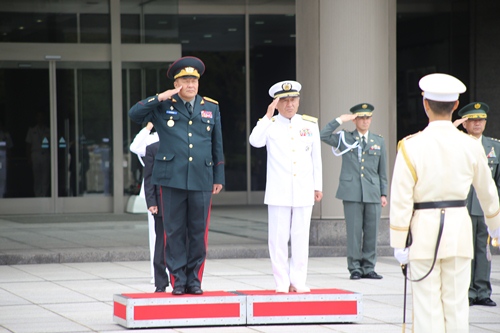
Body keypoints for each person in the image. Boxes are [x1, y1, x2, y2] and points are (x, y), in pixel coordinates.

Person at [390, 73, 500, 332]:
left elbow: (401, 198)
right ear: (455, 105)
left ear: (425, 104)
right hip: (459, 232)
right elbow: (488, 191)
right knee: (457, 307)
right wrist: (495, 227)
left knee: (427, 308)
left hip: (422, 235)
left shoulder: (410, 146)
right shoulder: (471, 145)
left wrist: (398, 242)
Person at [128, 56, 225, 296]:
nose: (190, 85)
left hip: (202, 177)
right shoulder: (162, 106)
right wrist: (160, 96)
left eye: (193, 80)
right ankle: (178, 280)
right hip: (171, 178)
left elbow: (217, 144)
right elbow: (134, 114)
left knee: (197, 231)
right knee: (173, 232)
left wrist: (218, 176)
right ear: (176, 83)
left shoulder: (210, 107)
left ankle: (194, 280)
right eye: (184, 81)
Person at [249, 80, 323, 293]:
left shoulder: (309, 124)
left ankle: (298, 281)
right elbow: (255, 141)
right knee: (278, 239)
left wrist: (317, 186)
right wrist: (266, 116)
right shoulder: (269, 124)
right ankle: (281, 282)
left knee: (301, 238)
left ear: (298, 102)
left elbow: (315, 158)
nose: (289, 104)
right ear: (277, 103)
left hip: (303, 189)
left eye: (293, 100)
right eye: (284, 101)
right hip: (278, 191)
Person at [320, 103, 388, 280]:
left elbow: (383, 170)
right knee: (354, 232)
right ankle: (355, 268)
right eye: (361, 117)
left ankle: (369, 267)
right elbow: (324, 135)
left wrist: (383, 193)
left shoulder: (378, 140)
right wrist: (340, 120)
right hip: (351, 191)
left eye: (368, 118)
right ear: (355, 119)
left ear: (371, 119)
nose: (365, 121)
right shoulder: (345, 138)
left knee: (372, 232)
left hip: (372, 192)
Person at [455, 102, 500, 307]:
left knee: (484, 250)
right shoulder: (456, 144)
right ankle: (467, 292)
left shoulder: (494, 147)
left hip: (484, 208)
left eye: (480, 120)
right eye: (472, 120)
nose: (477, 124)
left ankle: (482, 291)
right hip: (462, 206)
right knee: (465, 250)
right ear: (464, 124)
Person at [130, 122, 160, 284]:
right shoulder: (151, 139)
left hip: (175, 189)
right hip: (154, 191)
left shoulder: (178, 135)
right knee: (155, 235)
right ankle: (156, 273)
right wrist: (148, 127)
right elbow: (135, 147)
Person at [144, 141, 170, 292]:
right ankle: (160, 283)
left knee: (183, 241)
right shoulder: (152, 149)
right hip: (160, 202)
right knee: (161, 242)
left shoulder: (182, 145)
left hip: (181, 202)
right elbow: (148, 179)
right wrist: (151, 201)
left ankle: (180, 280)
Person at [25, 112, 51, 197]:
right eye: (38, 116)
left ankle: (44, 195)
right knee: (37, 177)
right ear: (36, 118)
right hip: (35, 154)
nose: (40, 118)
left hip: (45, 153)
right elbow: (28, 144)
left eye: (41, 116)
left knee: (45, 177)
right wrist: (29, 157)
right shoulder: (32, 130)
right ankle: (37, 196)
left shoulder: (48, 130)